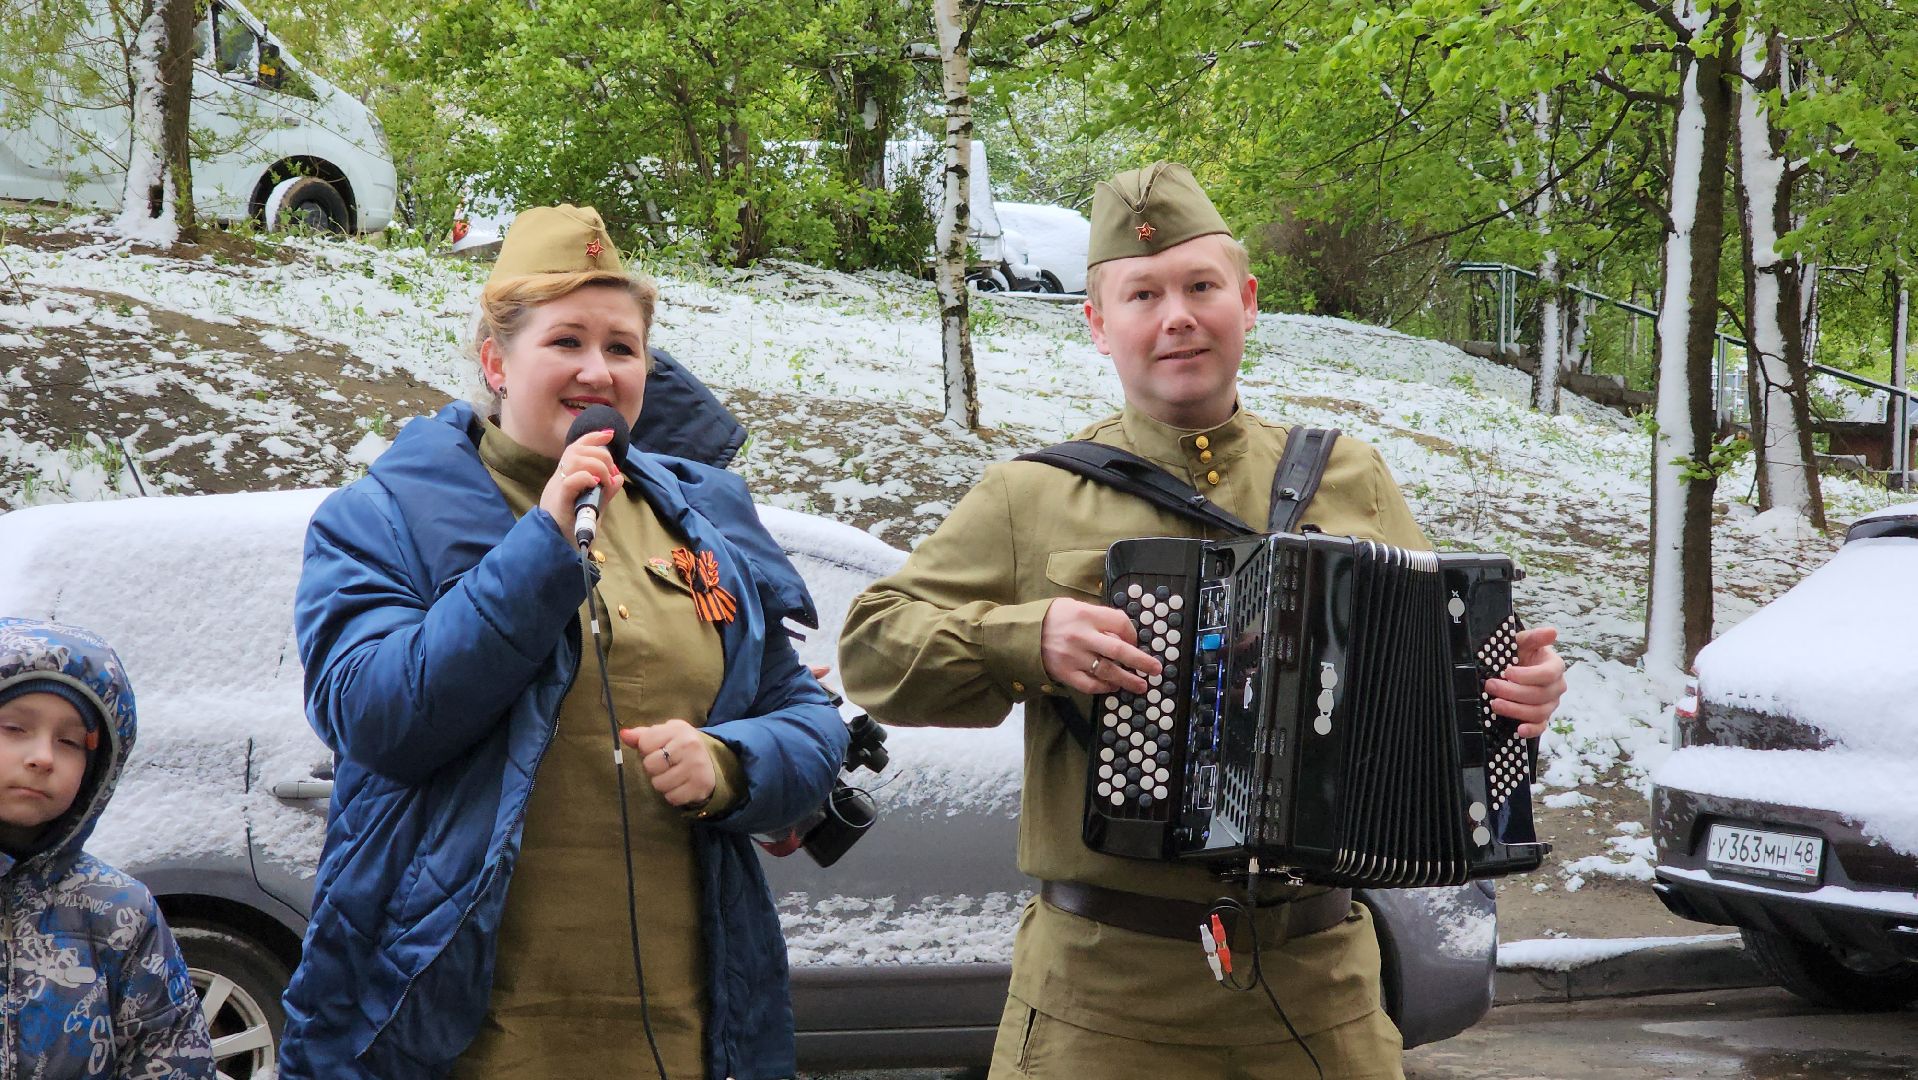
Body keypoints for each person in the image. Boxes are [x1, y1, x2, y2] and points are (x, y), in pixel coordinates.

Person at [838, 164, 1569, 1079]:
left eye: (1200, 287)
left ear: (1247, 301)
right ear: (1099, 323)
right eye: (1142, 294)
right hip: (1105, 1001)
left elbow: (1434, 693)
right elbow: (872, 648)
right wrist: (1028, 639)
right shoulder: (1032, 495)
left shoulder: (1350, 476)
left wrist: (1511, 702)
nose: (1176, 316)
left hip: (1323, 994)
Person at [276, 205, 848, 1080]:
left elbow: (805, 714)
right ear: (496, 359)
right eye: (566, 342)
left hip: (687, 1029)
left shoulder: (698, 521)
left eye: (622, 348)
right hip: (461, 1033)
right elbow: (378, 718)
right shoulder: (382, 517)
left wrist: (734, 764)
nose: (597, 370)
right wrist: (542, 546)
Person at [0, 618, 215, 1079]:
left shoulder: (120, 912)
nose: (43, 756)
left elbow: (171, 1057)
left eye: (70, 741)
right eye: (14, 727)